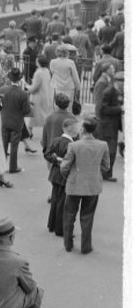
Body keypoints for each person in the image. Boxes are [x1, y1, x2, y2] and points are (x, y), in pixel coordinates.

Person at [60, 116, 110, 254]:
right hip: (93, 186)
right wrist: (94, 173)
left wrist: (69, 176)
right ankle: (86, 246)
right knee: (87, 216)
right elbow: (106, 167)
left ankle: (68, 244)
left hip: (74, 184)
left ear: (82, 129)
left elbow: (64, 167)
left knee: (69, 215)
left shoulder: (74, 146)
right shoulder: (102, 145)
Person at [44, 118, 79, 236]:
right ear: (72, 130)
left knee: (55, 200)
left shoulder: (56, 140)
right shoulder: (71, 145)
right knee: (63, 203)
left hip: (54, 174)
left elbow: (47, 154)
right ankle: (60, 229)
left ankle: (51, 225)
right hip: (65, 176)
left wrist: (56, 159)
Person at [1, 68, 32, 174]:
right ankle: (13, 167)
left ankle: (2, 166)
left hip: (4, 120)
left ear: (10, 79)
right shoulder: (23, 94)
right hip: (17, 122)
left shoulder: (3, 90)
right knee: (14, 145)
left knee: (4, 144)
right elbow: (27, 110)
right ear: (20, 80)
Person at [94, 65, 122, 182]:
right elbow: (101, 105)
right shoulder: (104, 86)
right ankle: (104, 173)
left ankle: (106, 172)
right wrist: (119, 109)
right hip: (106, 123)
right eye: (111, 68)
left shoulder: (111, 85)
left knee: (110, 149)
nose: (113, 70)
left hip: (111, 123)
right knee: (109, 149)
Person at [25, 55, 53, 130]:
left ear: (39, 62)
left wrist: (27, 88)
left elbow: (35, 87)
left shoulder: (38, 73)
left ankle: (30, 131)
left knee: (33, 115)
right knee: (44, 114)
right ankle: (45, 131)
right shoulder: (47, 71)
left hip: (38, 97)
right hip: (46, 94)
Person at [49, 45, 80, 112]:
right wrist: (78, 87)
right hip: (69, 86)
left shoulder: (53, 62)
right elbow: (75, 76)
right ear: (66, 53)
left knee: (57, 106)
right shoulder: (71, 62)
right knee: (68, 106)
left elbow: (52, 72)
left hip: (57, 86)